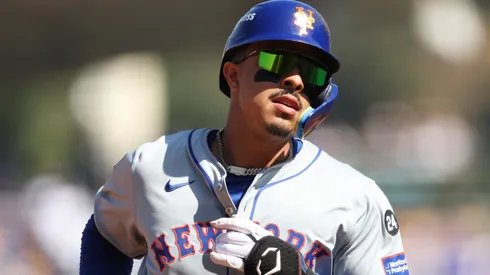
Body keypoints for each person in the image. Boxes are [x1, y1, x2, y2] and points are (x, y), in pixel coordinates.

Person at [79, 0, 410, 274]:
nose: (295, 80)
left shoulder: (356, 198)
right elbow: (105, 235)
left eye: (312, 73)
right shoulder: (151, 167)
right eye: (276, 61)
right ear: (233, 75)